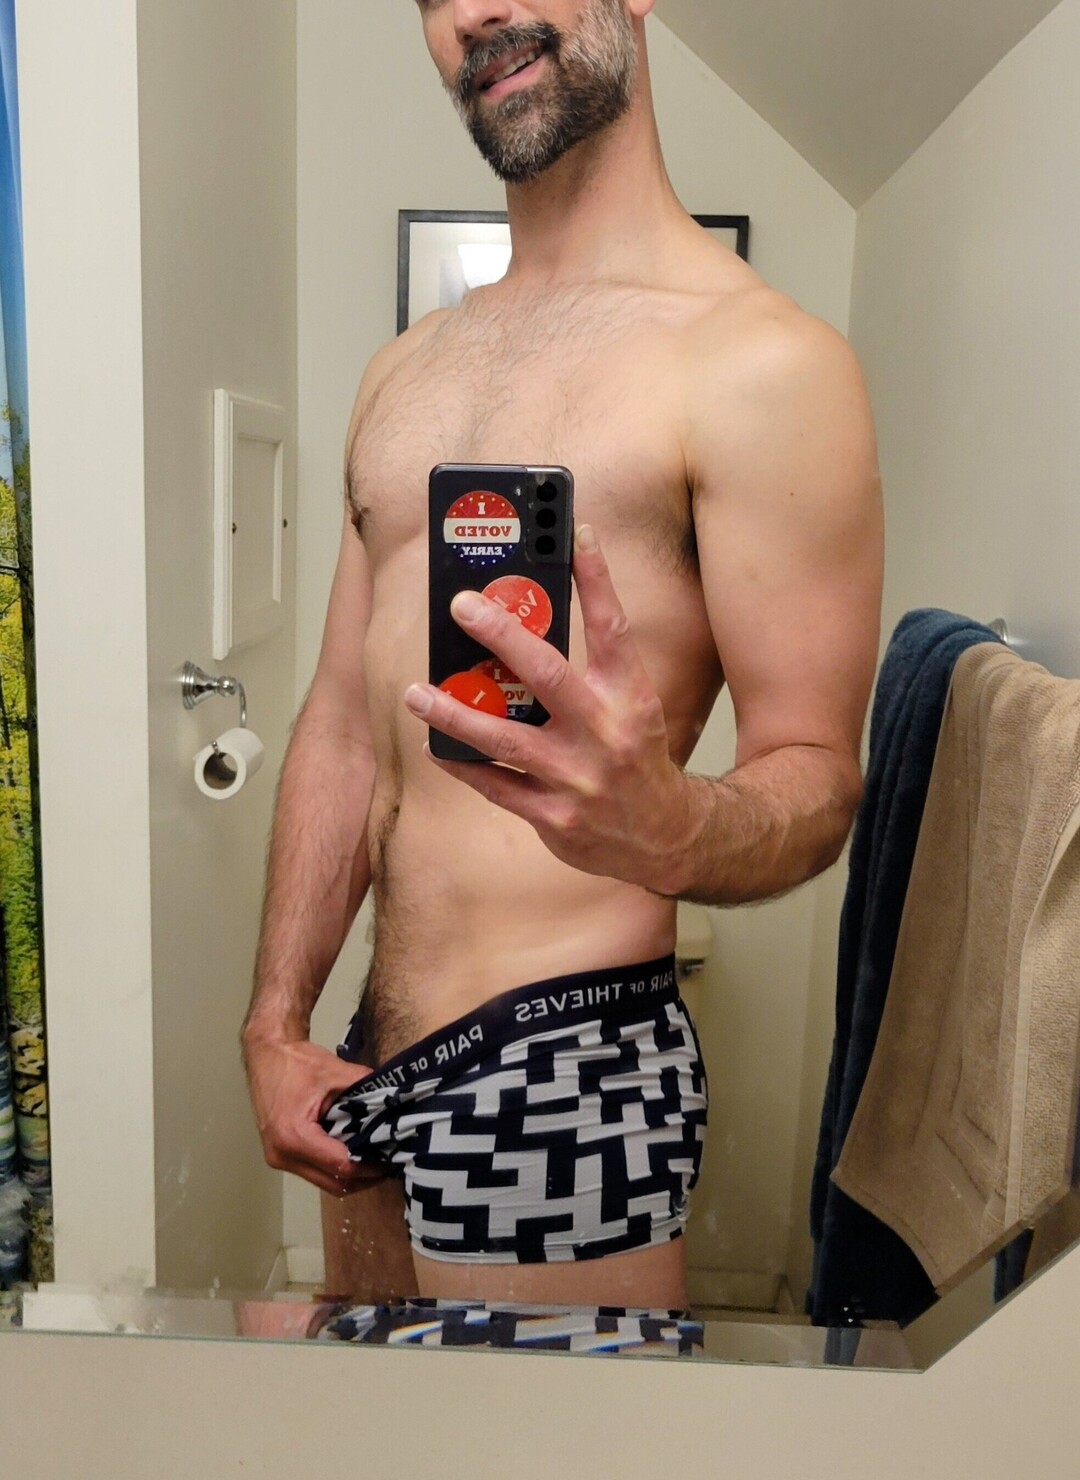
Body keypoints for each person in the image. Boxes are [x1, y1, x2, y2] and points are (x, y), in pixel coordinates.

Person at [241, 0, 884, 1311]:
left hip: (565, 1065)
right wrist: (276, 1019)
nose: (474, 11)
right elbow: (344, 724)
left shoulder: (764, 364)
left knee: (545, 1456)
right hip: (369, 1056)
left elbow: (820, 774)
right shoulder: (403, 371)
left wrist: (673, 826)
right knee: (383, 1430)